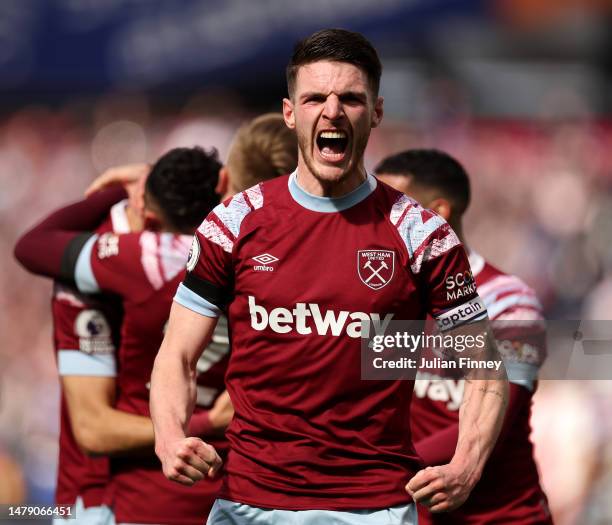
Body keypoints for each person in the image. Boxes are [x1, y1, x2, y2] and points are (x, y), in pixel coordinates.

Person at [150, 29, 508, 525]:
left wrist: (467, 465)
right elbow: (177, 355)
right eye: (316, 97)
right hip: (248, 503)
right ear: (290, 112)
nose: (333, 111)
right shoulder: (232, 224)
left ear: (376, 112)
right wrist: (169, 436)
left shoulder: (422, 235)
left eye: (351, 99)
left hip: (373, 507)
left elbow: (484, 366)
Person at [15, 147, 230, 525]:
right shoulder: (241, 253)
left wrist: (114, 188)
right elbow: (93, 427)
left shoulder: (126, 258)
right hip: (100, 500)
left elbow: (31, 245)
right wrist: (209, 422)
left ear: (148, 213)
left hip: (149, 498)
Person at [375, 149, 552, 524]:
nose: (376, 220)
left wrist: (376, 470)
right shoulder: (380, 296)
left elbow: (498, 415)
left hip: (499, 516)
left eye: (391, 207)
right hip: (412, 510)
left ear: (438, 213)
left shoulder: (508, 299)